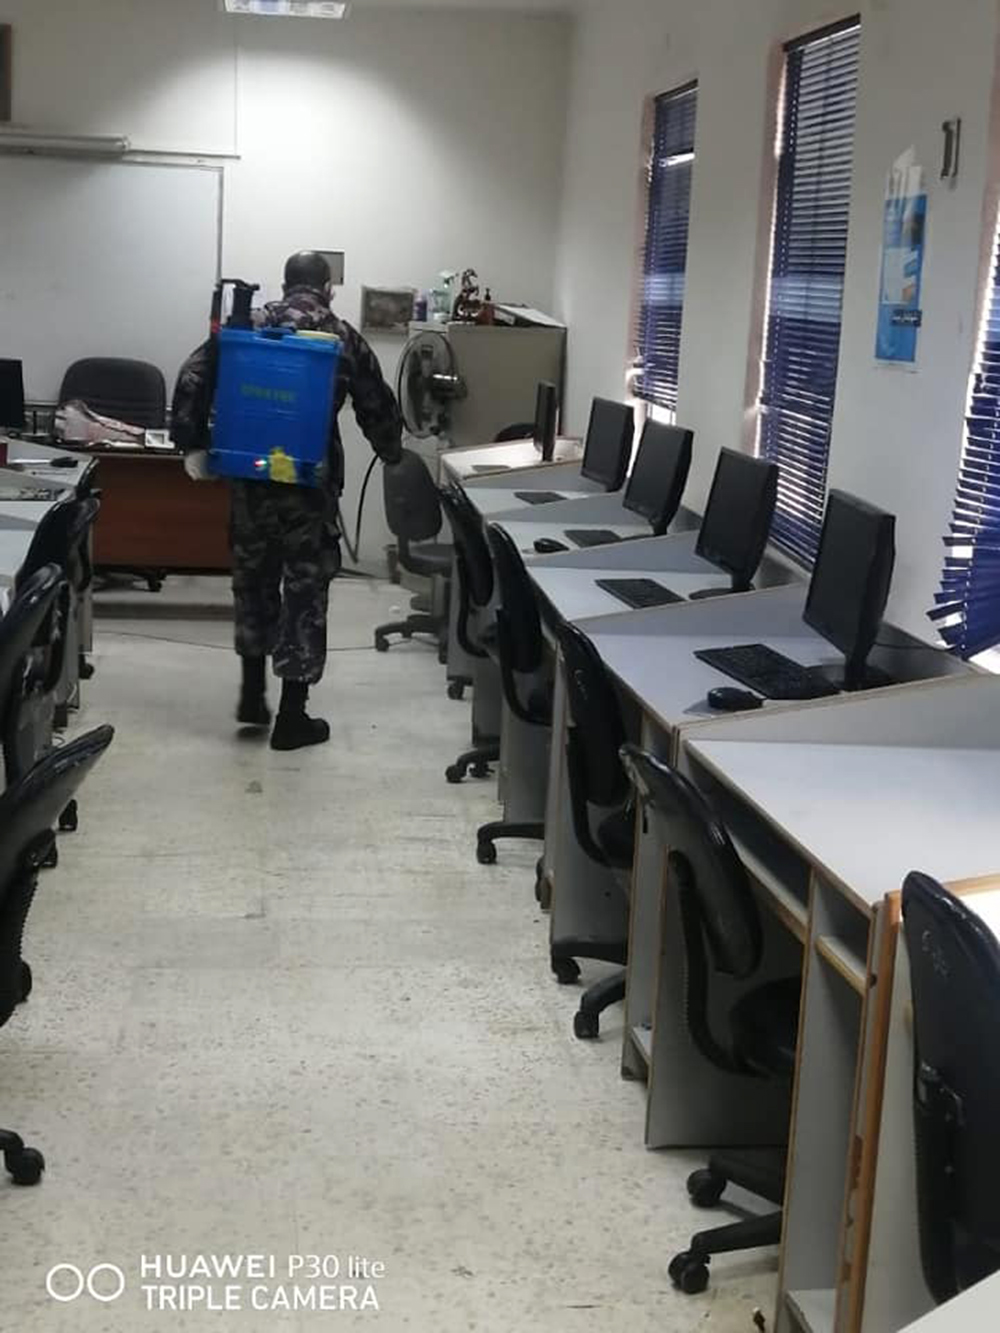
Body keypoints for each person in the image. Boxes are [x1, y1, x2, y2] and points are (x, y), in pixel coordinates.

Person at [173, 251, 403, 751]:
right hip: (308, 487)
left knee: (253, 582)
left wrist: (191, 443)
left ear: (284, 285)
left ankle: (252, 696)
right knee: (304, 593)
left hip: (252, 478)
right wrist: (391, 450)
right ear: (328, 289)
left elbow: (193, 376)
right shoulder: (341, 336)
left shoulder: (248, 325)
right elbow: (376, 404)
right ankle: (292, 717)